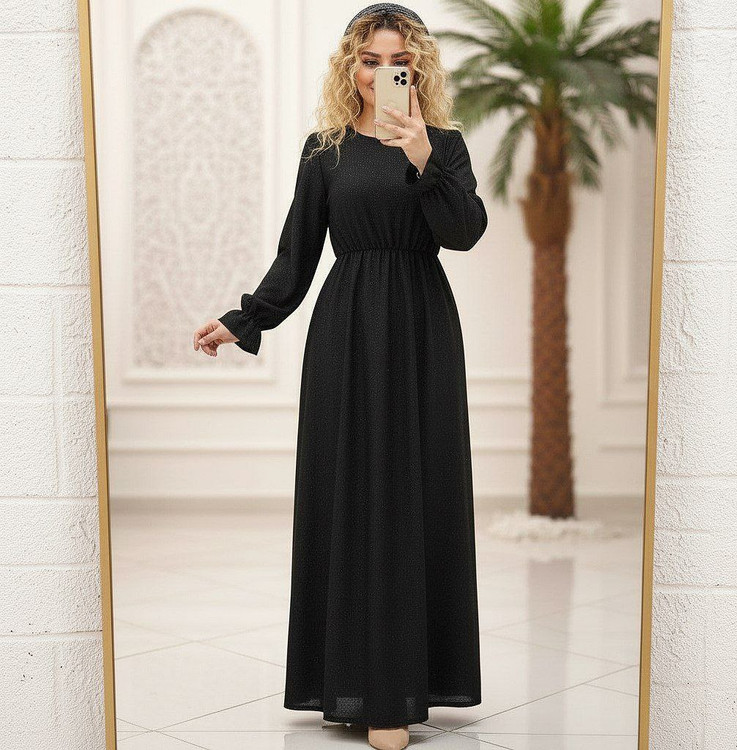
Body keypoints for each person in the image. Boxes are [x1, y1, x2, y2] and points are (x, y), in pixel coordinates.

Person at [193, 4, 488, 749]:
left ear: (416, 68)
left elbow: (464, 232)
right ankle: (350, 682)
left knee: (414, 496)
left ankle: (396, 692)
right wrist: (244, 318)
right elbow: (297, 253)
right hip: (347, 331)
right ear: (349, 66)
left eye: (397, 61)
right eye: (368, 59)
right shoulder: (323, 151)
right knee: (349, 498)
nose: (381, 73)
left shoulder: (443, 145)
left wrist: (421, 156)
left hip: (422, 330)